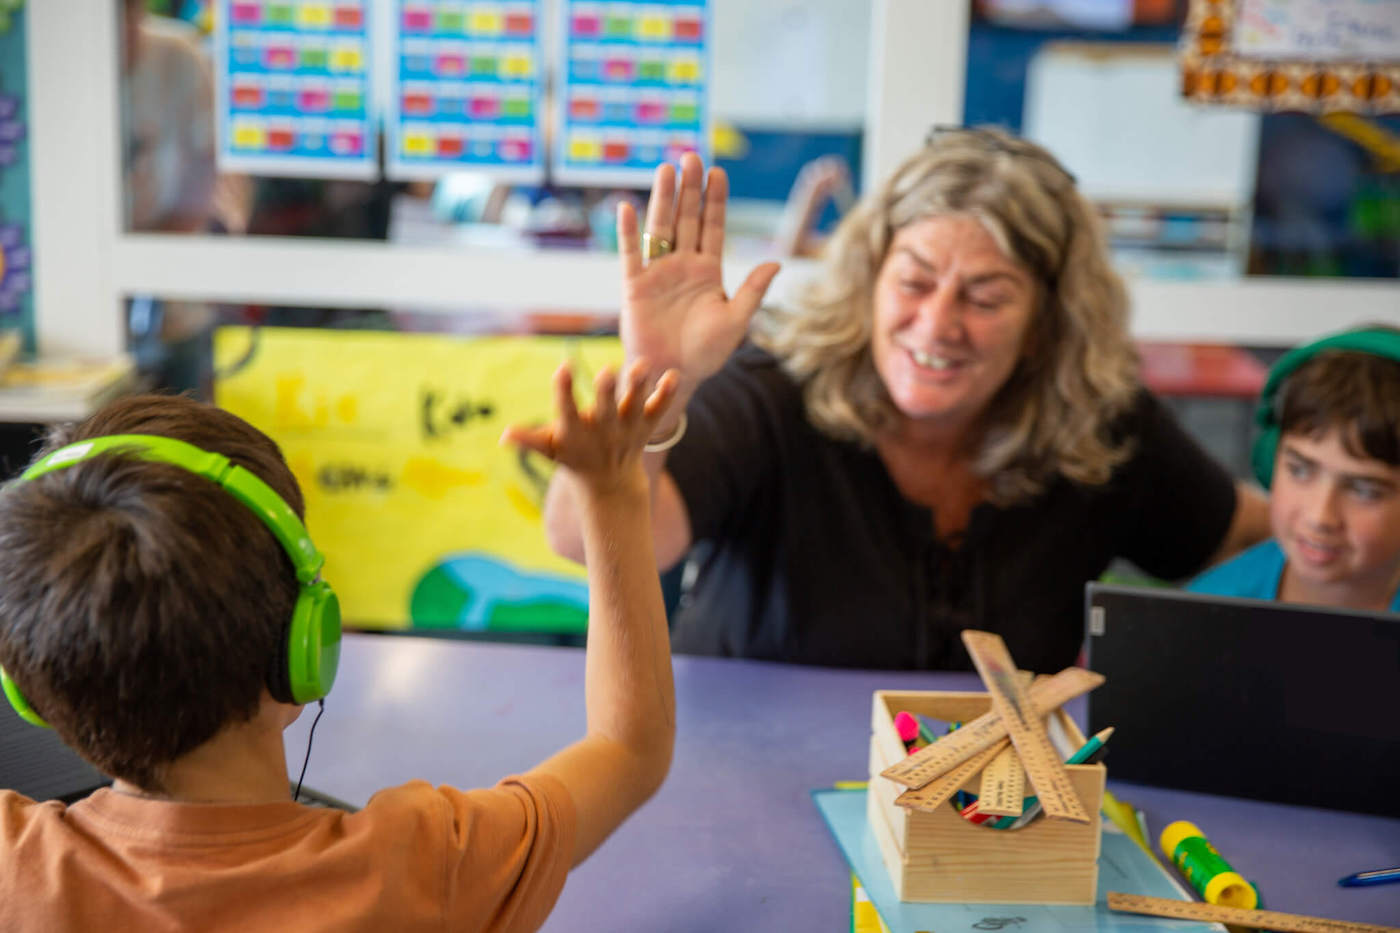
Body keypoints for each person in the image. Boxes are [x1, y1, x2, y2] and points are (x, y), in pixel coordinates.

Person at [544, 127, 1270, 673]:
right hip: (746, 794)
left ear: (1049, 322)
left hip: (983, 833)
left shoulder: (1100, 421)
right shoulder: (776, 389)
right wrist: (657, 380)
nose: (936, 325)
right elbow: (586, 538)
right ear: (868, 276)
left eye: (986, 297)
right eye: (915, 282)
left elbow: (1249, 537)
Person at [0, 364, 679, 931]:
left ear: (27, 690)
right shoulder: (422, 868)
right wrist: (613, 494)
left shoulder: (15, 872)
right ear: (305, 643)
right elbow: (630, 746)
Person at [1189, 326, 1400, 612]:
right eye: (1299, 471)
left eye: (1364, 491)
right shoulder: (1210, 608)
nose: (1320, 517)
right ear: (1270, 458)